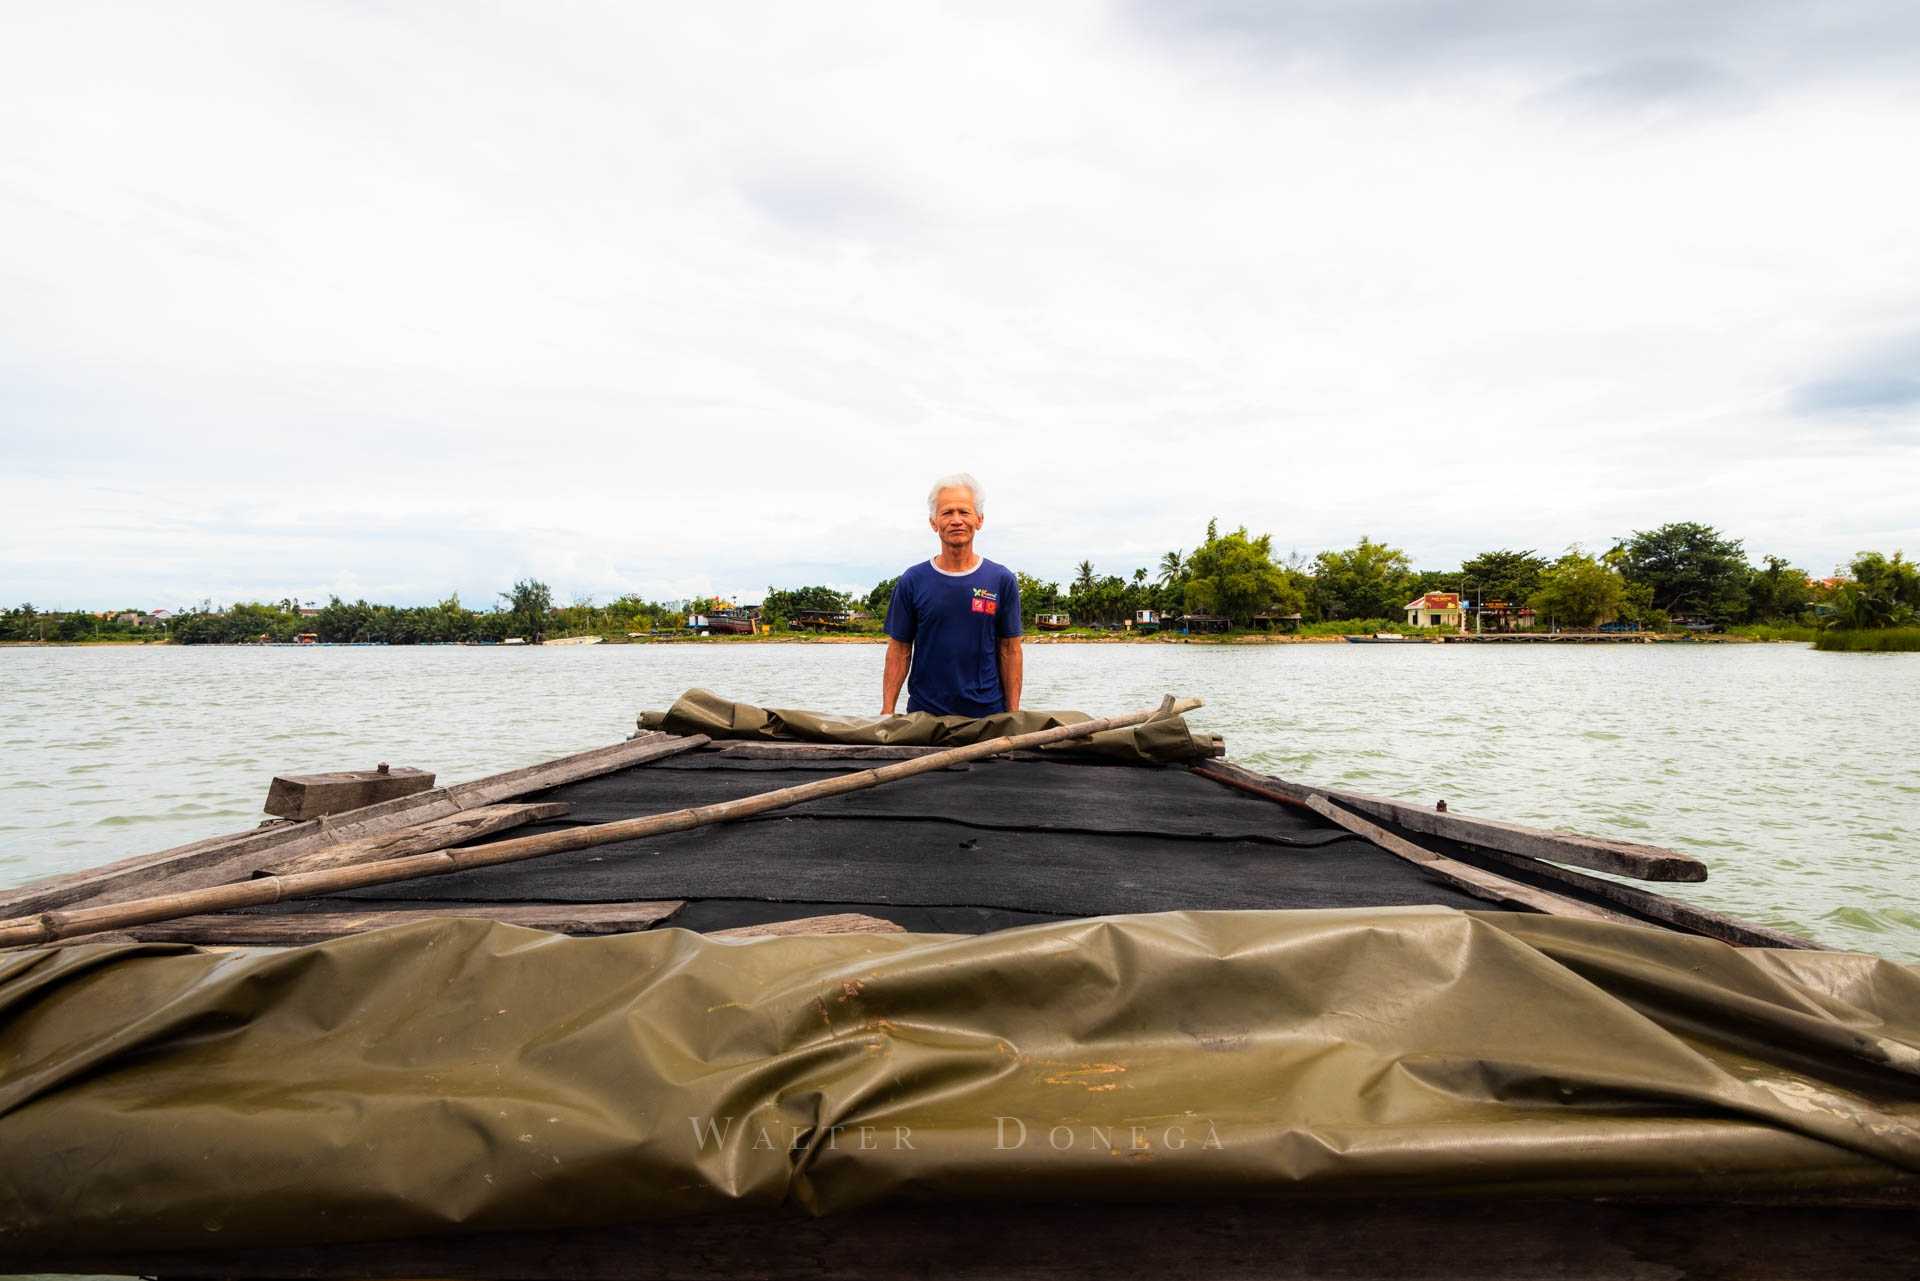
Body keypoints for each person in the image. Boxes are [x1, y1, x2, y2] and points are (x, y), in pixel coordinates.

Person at [881, 473, 1023, 717]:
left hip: (987, 717)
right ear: (934, 522)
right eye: (947, 513)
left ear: (979, 520)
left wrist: (1013, 716)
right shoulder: (912, 581)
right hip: (925, 717)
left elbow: (1010, 650)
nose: (956, 520)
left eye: (964, 512)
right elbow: (899, 650)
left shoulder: (1001, 580)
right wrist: (886, 713)